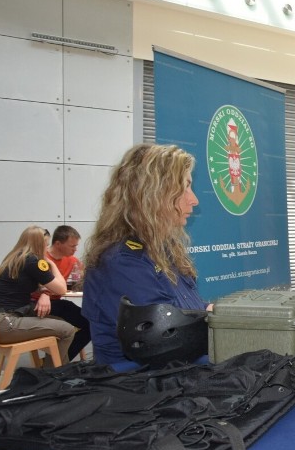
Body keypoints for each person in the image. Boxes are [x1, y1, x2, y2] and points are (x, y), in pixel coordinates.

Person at [82, 144, 211, 364]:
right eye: (186, 187)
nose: (194, 199)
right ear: (154, 194)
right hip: (143, 386)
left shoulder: (164, 251)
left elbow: (189, 312)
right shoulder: (123, 263)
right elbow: (167, 341)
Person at [0, 225, 76, 363]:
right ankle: (53, 374)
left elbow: (25, 285)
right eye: (46, 245)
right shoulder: (32, 261)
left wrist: (43, 292)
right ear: (39, 244)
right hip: (7, 323)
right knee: (67, 330)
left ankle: (57, 369)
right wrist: (52, 265)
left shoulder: (13, 258)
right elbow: (61, 289)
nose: (47, 249)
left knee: (60, 323)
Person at [31, 225, 91, 360]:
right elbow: (33, 285)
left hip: (57, 303)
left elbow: (83, 277)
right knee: (86, 323)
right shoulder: (41, 258)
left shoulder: (72, 261)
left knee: (90, 324)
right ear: (58, 244)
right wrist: (44, 295)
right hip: (36, 304)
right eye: (72, 246)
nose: (75, 250)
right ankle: (58, 361)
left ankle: (59, 359)